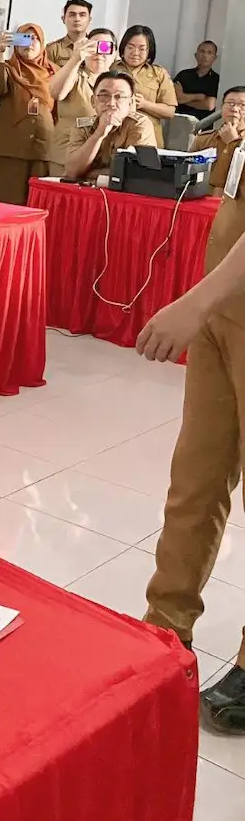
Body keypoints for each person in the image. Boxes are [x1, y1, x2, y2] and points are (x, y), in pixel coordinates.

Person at [143, 170, 245, 734]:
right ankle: (166, 622)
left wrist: (194, 302)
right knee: (196, 478)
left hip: (217, 301)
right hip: (224, 308)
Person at [0, 23, 69, 205]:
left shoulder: (55, 72)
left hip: (44, 149)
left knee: (37, 205)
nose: (29, 44)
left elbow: (62, 108)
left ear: (42, 43)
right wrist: (0, 51)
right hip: (10, 149)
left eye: (34, 39)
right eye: (23, 38)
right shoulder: (8, 68)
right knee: (7, 204)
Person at [47, 27, 117, 175]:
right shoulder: (74, 74)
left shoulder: (120, 84)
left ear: (115, 53)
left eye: (105, 47)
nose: (99, 53)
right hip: (66, 155)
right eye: (93, 46)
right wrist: (75, 58)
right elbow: (56, 93)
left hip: (102, 159)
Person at [63, 71, 158, 180]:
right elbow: (71, 172)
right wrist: (98, 134)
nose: (111, 103)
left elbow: (135, 173)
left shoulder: (139, 124)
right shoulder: (82, 126)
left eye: (119, 97)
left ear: (130, 103)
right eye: (104, 96)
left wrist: (88, 173)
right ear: (93, 101)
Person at [118, 24, 177, 145]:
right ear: (123, 48)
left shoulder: (159, 74)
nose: (135, 52)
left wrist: (145, 104)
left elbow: (170, 111)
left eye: (141, 48)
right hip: (116, 136)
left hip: (148, 139)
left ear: (149, 51)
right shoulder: (110, 69)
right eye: (130, 47)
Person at [191, 86, 245, 190]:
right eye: (230, 103)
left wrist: (233, 143)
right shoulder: (204, 139)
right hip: (203, 198)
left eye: (242, 105)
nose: (234, 109)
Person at [174, 40, 221, 121]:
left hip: (203, 124)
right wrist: (199, 96)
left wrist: (184, 99)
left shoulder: (216, 79)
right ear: (196, 55)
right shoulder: (183, 75)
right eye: (202, 51)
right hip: (179, 120)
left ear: (214, 58)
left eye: (209, 53)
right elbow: (176, 98)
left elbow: (209, 105)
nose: (205, 55)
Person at [45, 0, 93, 68]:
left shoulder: (96, 46)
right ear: (63, 19)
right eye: (72, 15)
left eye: (82, 15)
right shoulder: (53, 49)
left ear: (89, 20)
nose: (77, 19)